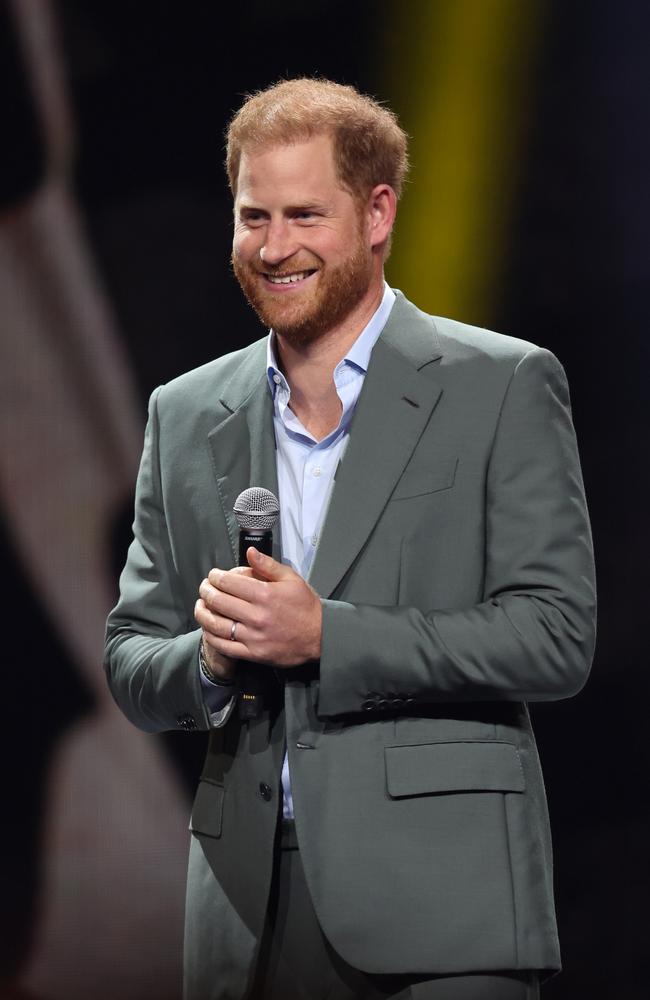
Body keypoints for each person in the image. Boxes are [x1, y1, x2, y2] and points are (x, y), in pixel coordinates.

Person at [104, 78, 596, 1000]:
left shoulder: (503, 384)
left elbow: (555, 637)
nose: (274, 246)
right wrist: (207, 659)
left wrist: (329, 636)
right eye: (254, 215)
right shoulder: (185, 411)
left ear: (378, 213)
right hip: (246, 924)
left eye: (303, 214)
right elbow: (131, 661)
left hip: (441, 915)